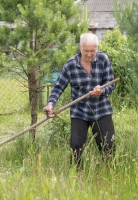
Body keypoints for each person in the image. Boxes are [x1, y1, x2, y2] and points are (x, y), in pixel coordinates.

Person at [43, 32, 116, 168]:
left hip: (101, 110)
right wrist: (50, 104)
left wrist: (102, 91)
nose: (89, 54)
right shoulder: (70, 65)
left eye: (92, 51)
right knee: (76, 146)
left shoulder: (103, 59)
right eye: (86, 51)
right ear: (80, 48)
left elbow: (111, 84)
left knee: (108, 146)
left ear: (97, 49)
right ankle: (78, 175)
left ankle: (109, 173)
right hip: (79, 112)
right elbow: (58, 87)